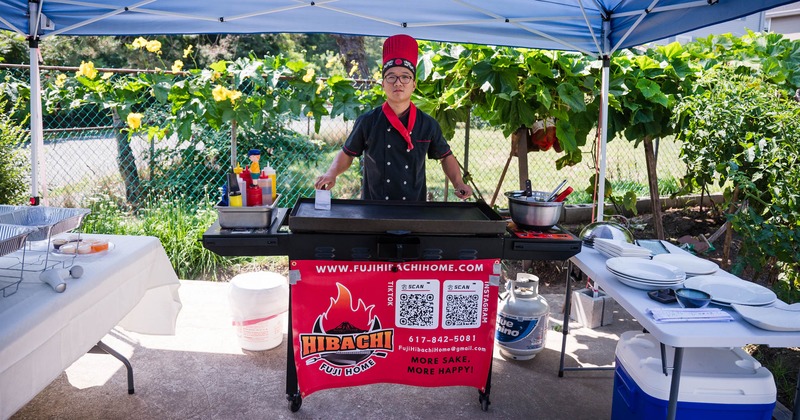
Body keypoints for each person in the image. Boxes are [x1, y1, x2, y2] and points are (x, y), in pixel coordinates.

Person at [314, 34, 473, 201]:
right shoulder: (368, 121)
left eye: (405, 76)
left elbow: (445, 156)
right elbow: (348, 153)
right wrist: (331, 173)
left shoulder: (428, 124)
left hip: (414, 207)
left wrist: (458, 183)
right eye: (391, 77)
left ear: (414, 84)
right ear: (383, 84)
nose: (398, 82)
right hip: (374, 206)